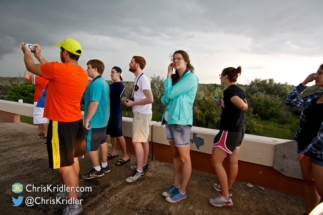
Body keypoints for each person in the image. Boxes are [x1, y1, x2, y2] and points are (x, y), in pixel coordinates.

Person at [21, 38, 88, 215]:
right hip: (75, 122)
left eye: (61, 50)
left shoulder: (58, 70)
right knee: (72, 159)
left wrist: (26, 51)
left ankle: (74, 204)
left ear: (65, 52)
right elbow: (51, 69)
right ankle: (75, 191)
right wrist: (40, 56)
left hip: (61, 124)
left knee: (63, 165)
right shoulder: (81, 73)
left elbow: (30, 67)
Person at [160, 50, 199, 203]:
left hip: (181, 122)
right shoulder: (178, 79)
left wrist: (168, 76)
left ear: (186, 61)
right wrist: (170, 92)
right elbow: (164, 100)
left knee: (184, 158)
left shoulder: (191, 78)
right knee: (175, 155)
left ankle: (182, 191)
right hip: (170, 120)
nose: (175, 61)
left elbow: (168, 95)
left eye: (179, 59)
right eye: (173, 59)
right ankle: (176, 185)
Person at [285, 64, 323, 215]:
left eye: (320, 73)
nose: (316, 75)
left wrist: (308, 150)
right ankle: (309, 212)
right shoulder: (314, 97)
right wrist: (304, 83)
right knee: (309, 181)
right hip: (304, 144)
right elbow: (290, 101)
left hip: (319, 151)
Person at [209, 66, 248, 207]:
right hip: (238, 130)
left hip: (228, 131)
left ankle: (225, 197)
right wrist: (225, 105)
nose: (220, 77)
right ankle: (227, 189)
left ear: (226, 76)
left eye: (221, 75)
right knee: (233, 162)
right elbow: (238, 107)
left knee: (216, 161)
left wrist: (244, 106)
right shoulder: (239, 90)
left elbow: (243, 107)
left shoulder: (229, 91)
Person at [124, 56, 153, 183]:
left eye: (131, 62)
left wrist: (132, 104)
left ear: (137, 64)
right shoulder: (138, 78)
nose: (129, 63)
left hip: (141, 114)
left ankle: (139, 171)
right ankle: (143, 164)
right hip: (142, 113)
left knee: (137, 142)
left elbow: (150, 99)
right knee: (143, 140)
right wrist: (132, 102)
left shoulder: (143, 79)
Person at [82, 59, 110, 179]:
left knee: (91, 146)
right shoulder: (104, 82)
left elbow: (94, 103)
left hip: (95, 121)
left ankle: (97, 170)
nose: (86, 69)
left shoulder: (96, 84)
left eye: (88, 67)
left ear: (95, 69)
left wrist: (87, 120)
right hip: (103, 120)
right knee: (103, 142)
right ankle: (105, 165)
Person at [106, 66, 130, 166]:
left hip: (116, 112)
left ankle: (126, 156)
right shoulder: (112, 85)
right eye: (111, 72)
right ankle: (114, 152)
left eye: (113, 72)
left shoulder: (120, 86)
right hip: (110, 112)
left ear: (119, 73)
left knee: (119, 134)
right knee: (112, 133)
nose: (111, 74)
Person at [24, 70, 49, 140]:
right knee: (45, 118)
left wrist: (28, 69)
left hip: (39, 101)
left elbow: (26, 76)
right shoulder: (50, 80)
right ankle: (45, 133)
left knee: (41, 118)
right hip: (48, 101)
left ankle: (45, 133)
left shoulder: (41, 79)